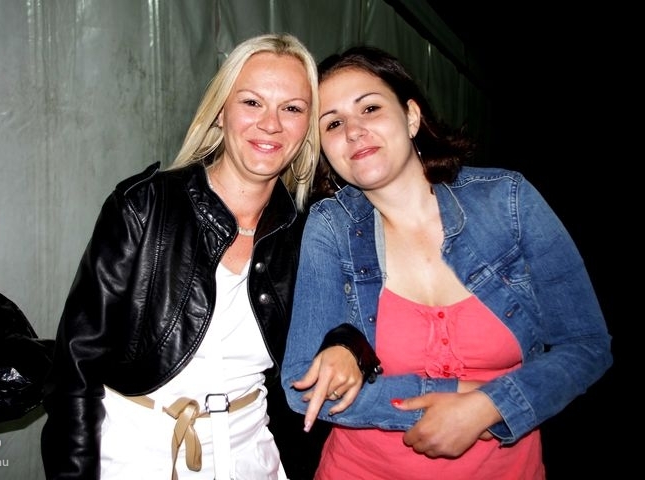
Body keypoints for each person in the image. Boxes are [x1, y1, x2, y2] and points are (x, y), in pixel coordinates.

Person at [281, 45, 613, 480]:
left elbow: (586, 345)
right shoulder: (332, 226)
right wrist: (461, 393)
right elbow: (302, 385)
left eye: (370, 108)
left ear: (411, 117)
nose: (355, 131)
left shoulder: (508, 202)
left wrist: (489, 407)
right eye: (334, 123)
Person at [41, 32, 343, 480]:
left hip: (252, 458)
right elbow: (75, 367)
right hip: (133, 456)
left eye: (292, 109)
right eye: (252, 102)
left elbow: (345, 326)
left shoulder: (309, 233)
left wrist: (348, 345)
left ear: (308, 126)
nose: (271, 124)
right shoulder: (144, 207)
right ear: (221, 112)